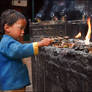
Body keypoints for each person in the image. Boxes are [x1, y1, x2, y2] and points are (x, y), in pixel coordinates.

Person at [0, 9, 52, 92]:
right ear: (7, 28)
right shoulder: (6, 42)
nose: (23, 32)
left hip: (15, 83)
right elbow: (18, 50)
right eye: (20, 28)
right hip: (12, 85)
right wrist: (39, 44)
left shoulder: (10, 41)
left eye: (24, 29)